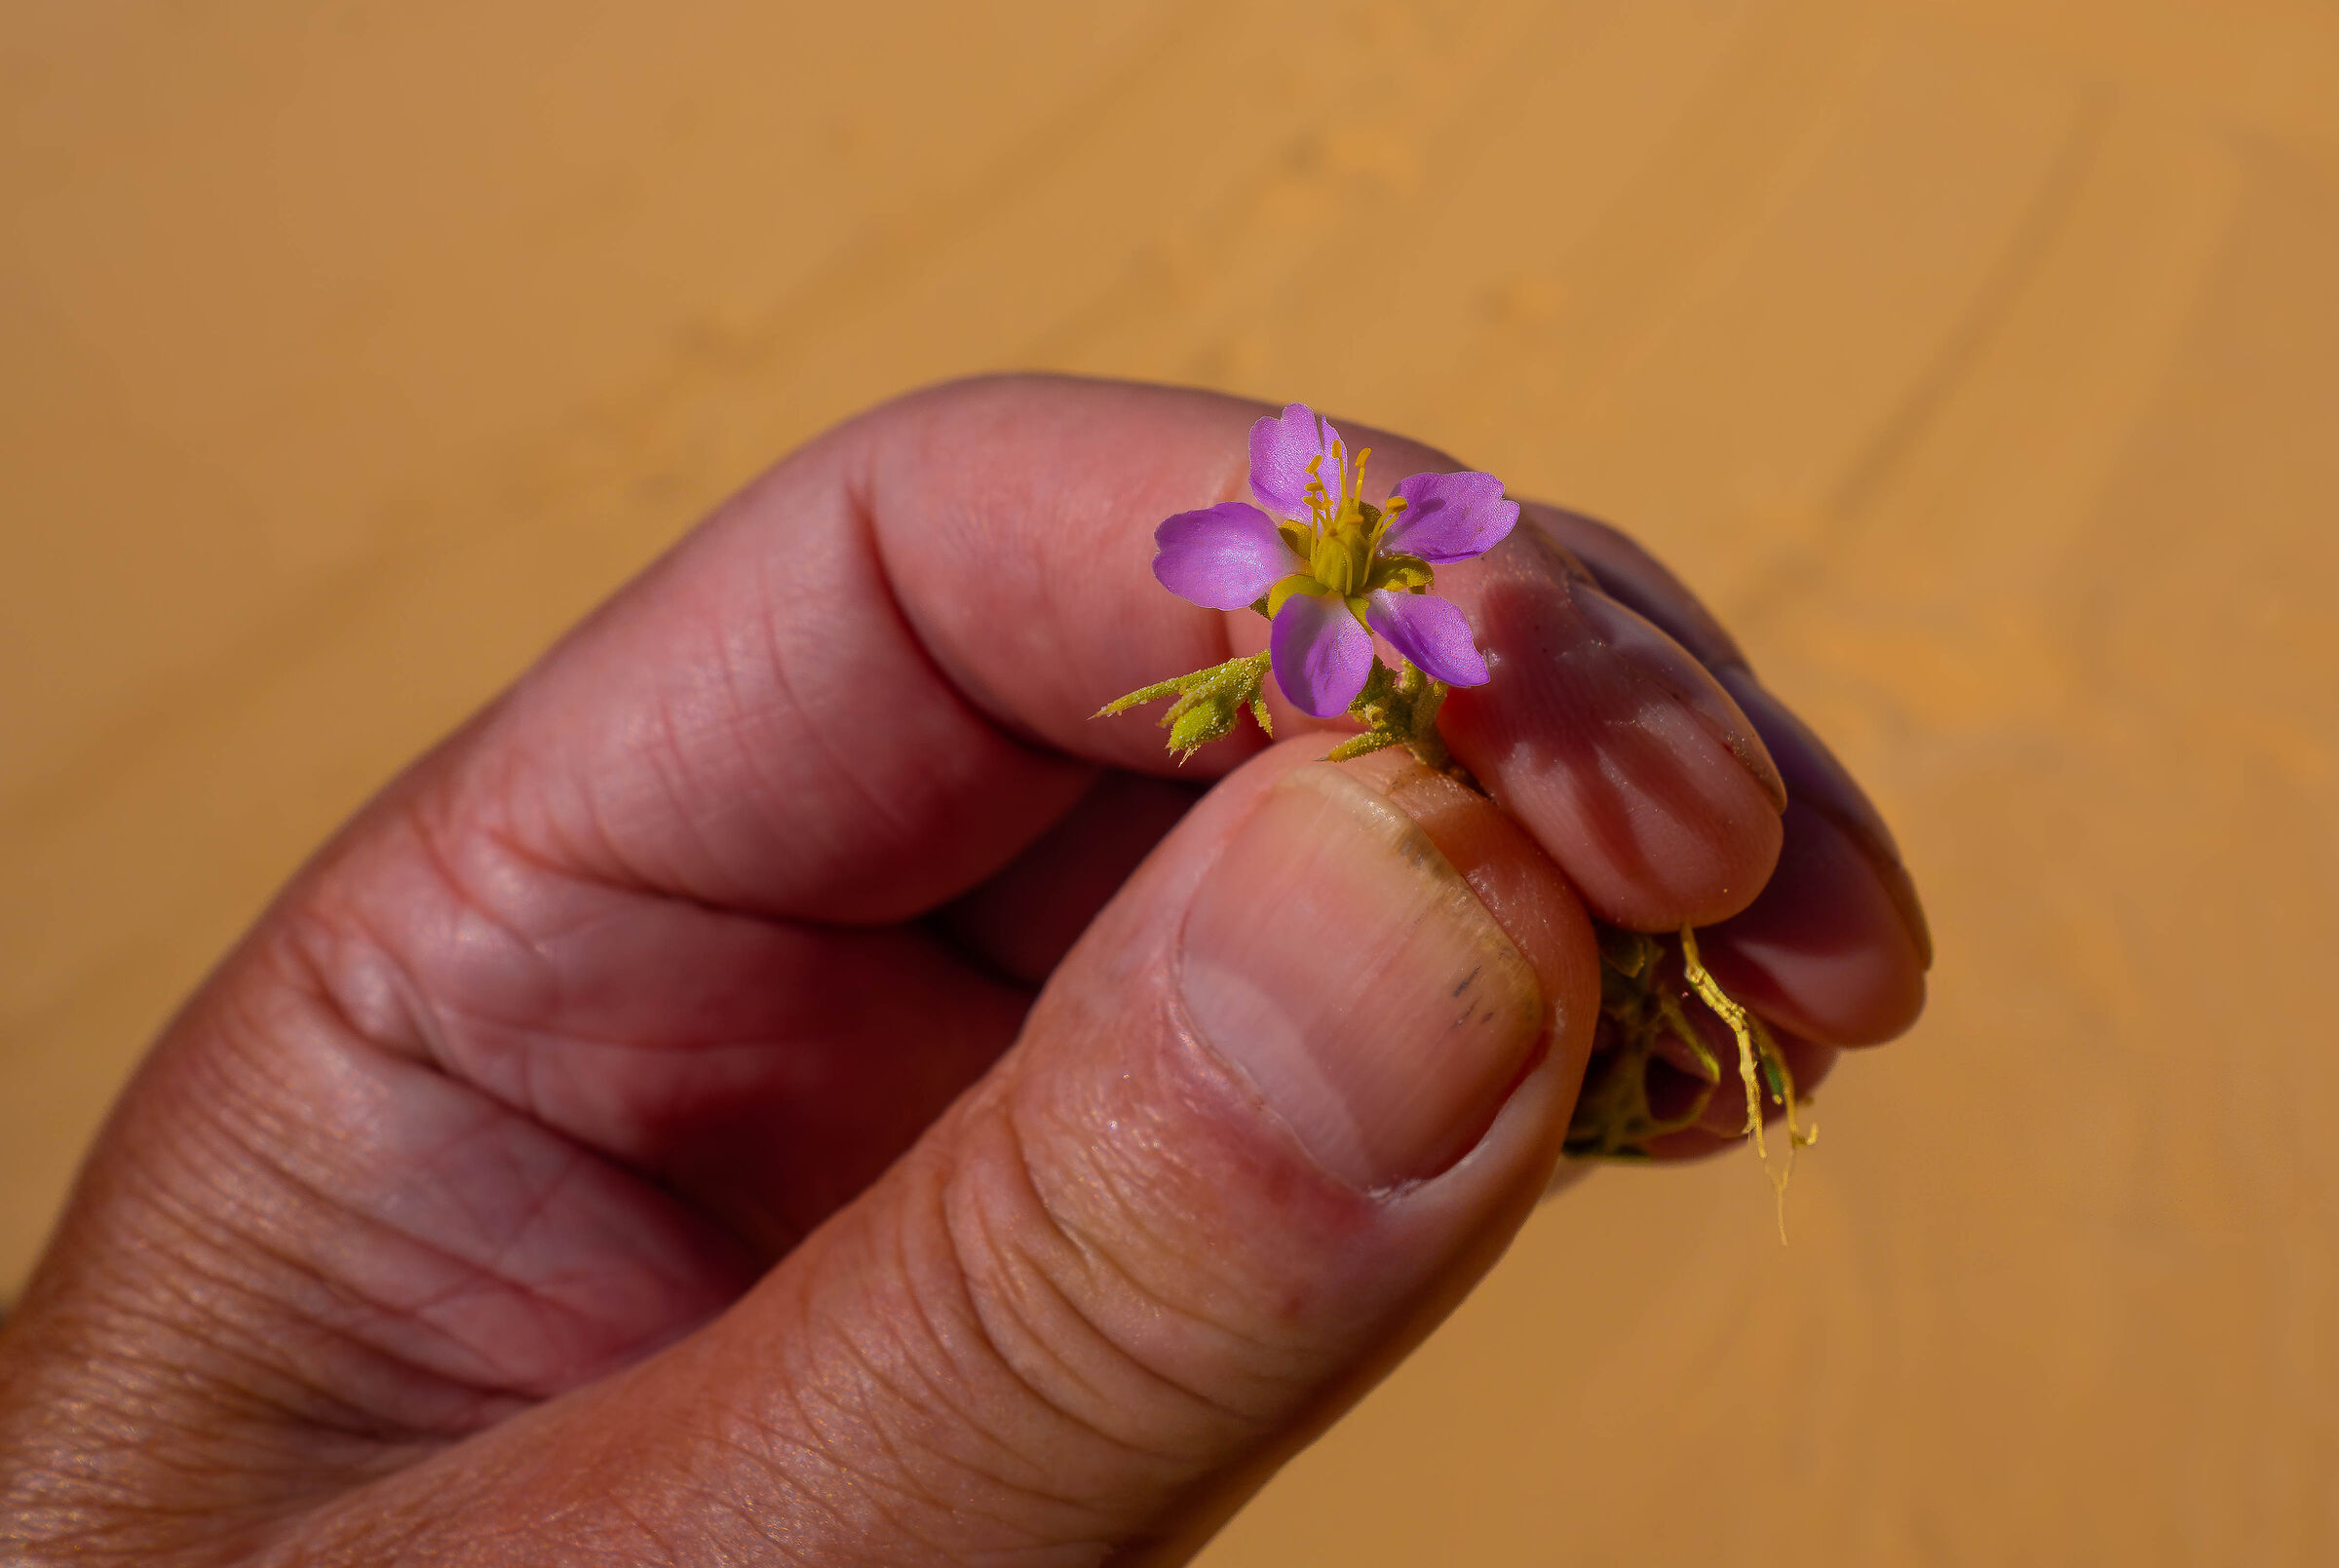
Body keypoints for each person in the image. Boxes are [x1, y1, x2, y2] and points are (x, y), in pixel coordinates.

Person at [0, 376, 1927, 1563]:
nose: (1326, 544)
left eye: (1336, 541)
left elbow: (1436, 571)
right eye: (1312, 539)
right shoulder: (1323, 616)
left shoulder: (1377, 599)